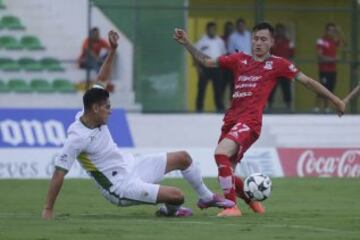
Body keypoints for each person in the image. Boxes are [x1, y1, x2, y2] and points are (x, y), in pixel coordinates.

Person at [42, 30, 234, 220]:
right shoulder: (77, 138)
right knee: (177, 196)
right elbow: (59, 172)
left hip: (131, 165)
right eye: (107, 107)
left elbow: (102, 79)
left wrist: (113, 50)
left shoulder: (93, 109)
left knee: (183, 157)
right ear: (94, 108)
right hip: (120, 187)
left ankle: (206, 197)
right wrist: (48, 209)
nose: (110, 110)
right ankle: (171, 210)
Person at [173, 22, 345, 217]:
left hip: (250, 122)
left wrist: (335, 99)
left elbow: (308, 82)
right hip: (231, 120)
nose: (258, 43)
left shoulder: (279, 64)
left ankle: (231, 207)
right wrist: (187, 42)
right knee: (228, 170)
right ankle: (251, 201)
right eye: (255, 39)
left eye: (263, 39)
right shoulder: (239, 59)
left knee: (220, 153)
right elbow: (207, 62)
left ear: (271, 42)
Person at [194, 22, 227, 112]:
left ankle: (219, 108)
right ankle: (199, 108)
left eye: (213, 29)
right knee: (202, 88)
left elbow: (224, 55)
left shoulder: (219, 41)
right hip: (205, 67)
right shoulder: (201, 41)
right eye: (210, 29)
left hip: (216, 67)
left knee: (218, 89)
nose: (212, 31)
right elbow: (195, 55)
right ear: (207, 29)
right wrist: (198, 68)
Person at [313, 23, 345, 113]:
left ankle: (326, 108)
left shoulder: (334, 41)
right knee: (322, 88)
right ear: (326, 31)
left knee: (330, 89)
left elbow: (344, 43)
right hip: (324, 69)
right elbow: (320, 56)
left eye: (333, 30)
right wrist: (333, 59)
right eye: (330, 30)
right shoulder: (321, 41)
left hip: (333, 70)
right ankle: (316, 108)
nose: (332, 32)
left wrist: (340, 32)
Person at [268, 23, 295, 111]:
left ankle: (288, 105)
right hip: (274, 69)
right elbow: (268, 54)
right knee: (271, 87)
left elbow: (292, 54)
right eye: (278, 30)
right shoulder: (272, 41)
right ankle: (269, 105)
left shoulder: (288, 41)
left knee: (286, 87)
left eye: (281, 30)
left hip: (285, 69)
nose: (280, 32)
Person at [221, 21, 235, 106]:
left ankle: (232, 105)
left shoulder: (235, 38)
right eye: (228, 28)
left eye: (231, 29)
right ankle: (220, 105)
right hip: (224, 66)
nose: (229, 30)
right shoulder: (222, 39)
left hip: (233, 66)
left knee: (233, 87)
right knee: (222, 86)